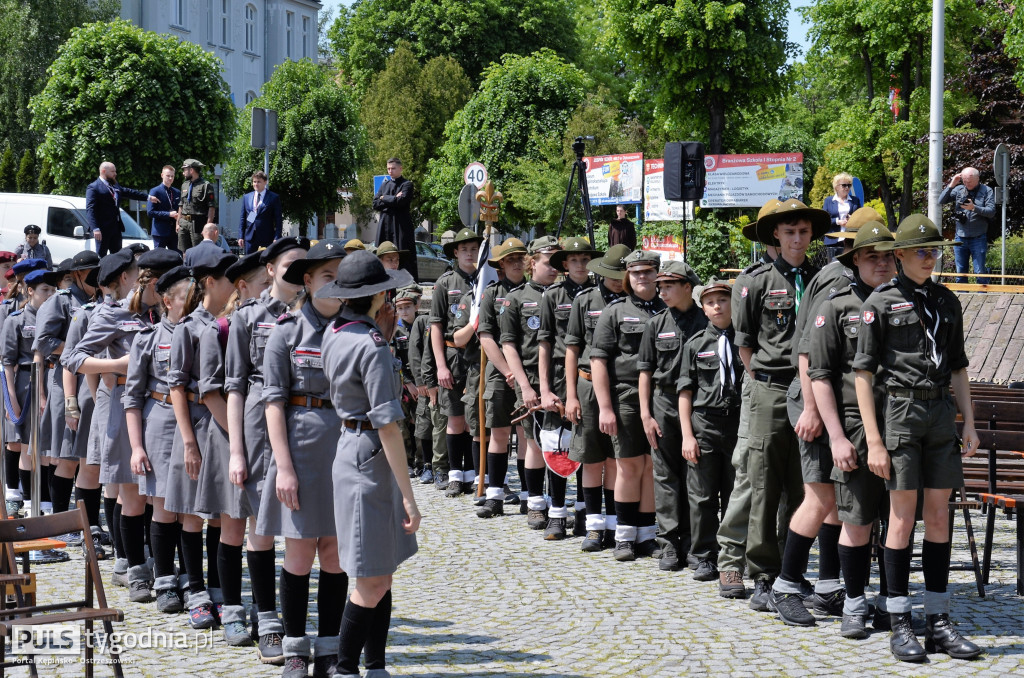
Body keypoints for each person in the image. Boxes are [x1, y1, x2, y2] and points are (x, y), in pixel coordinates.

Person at [854, 215, 982, 662]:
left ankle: (939, 622)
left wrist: (969, 421)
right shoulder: (881, 302)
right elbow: (864, 375)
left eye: (935, 251)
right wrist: (873, 439)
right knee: (902, 518)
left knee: (939, 517)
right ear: (900, 255)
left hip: (941, 411)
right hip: (902, 412)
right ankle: (899, 621)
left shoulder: (947, 300)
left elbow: (960, 365)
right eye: (922, 251)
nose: (930, 258)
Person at [317, 250, 420, 678]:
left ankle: (375, 666)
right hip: (371, 454)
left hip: (352, 446)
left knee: (383, 567)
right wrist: (410, 498)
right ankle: (344, 669)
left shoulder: (337, 330)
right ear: (378, 294)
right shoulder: (371, 344)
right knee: (371, 580)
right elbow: (390, 426)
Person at [258, 240, 348, 677]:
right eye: (327, 276)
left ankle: (329, 649)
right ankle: (295, 647)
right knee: (298, 555)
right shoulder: (285, 332)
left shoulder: (356, 329)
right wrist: (285, 468)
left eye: (339, 276)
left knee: (334, 556)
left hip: (345, 452)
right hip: (300, 451)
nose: (334, 284)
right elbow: (273, 403)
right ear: (307, 281)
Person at [733, 198, 828, 611]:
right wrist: (765, 384)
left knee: (801, 485)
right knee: (764, 484)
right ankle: (763, 575)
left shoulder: (821, 279)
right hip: (771, 390)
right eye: (789, 232)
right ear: (775, 234)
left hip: (808, 392)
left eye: (803, 232)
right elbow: (746, 346)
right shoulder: (754, 281)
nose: (796, 239)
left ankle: (794, 571)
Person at [806, 221, 896, 638]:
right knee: (856, 519)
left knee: (897, 520)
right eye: (871, 255)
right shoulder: (835, 306)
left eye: (887, 255)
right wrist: (837, 436)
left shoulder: (904, 302)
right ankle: (855, 603)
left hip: (900, 423)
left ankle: (890, 602)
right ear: (854, 259)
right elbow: (820, 375)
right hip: (855, 427)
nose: (881, 263)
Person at [223, 237, 309, 659]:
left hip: (306, 421)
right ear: (271, 270)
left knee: (304, 518)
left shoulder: (317, 314)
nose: (299, 271)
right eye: (290, 263)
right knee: (260, 523)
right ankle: (268, 618)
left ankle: (296, 616)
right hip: (259, 419)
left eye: (304, 265)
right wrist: (237, 449)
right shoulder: (248, 317)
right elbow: (235, 387)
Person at [163, 246, 238, 630]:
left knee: (219, 514)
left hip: (222, 425)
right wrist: (189, 442)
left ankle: (220, 590)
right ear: (211, 282)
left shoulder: (233, 322)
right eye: (229, 279)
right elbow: (176, 387)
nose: (235, 285)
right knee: (192, 514)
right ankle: (195, 589)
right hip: (194, 423)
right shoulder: (188, 327)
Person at [591, 250, 666, 561]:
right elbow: (598, 361)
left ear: (657, 274)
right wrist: (605, 408)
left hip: (662, 397)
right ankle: (624, 534)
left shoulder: (668, 307)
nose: (642, 278)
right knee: (628, 465)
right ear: (628, 276)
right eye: (636, 273)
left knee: (651, 466)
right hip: (626, 396)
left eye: (647, 272)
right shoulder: (615, 312)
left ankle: (647, 534)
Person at [125, 265, 191, 615]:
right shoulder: (147, 338)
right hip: (162, 423)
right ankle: (164, 580)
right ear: (167, 301)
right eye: (185, 298)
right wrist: (136, 447)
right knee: (165, 507)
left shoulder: (199, 332)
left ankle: (186, 577)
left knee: (189, 510)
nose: (192, 303)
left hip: (195, 421)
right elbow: (133, 397)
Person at [637, 261, 707, 571]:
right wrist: (645, 415)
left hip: (700, 403)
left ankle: (695, 544)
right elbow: (645, 372)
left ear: (688, 287)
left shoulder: (707, 320)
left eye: (668, 286)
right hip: (663, 403)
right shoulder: (656, 323)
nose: (660, 291)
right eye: (660, 286)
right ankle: (668, 544)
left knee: (696, 475)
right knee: (665, 476)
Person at [565, 245, 630, 551]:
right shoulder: (585, 300)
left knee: (616, 459)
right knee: (591, 459)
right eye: (614, 276)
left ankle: (616, 525)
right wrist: (570, 395)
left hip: (622, 387)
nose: (619, 281)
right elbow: (572, 349)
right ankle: (593, 526)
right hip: (588, 386)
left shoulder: (634, 301)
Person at [678, 277, 741, 582]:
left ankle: (733, 554)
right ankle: (703, 555)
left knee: (735, 494)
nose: (718, 306)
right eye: (711, 302)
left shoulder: (745, 341)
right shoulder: (695, 344)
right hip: (704, 424)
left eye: (723, 300)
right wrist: (687, 435)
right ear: (702, 308)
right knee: (702, 496)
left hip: (738, 424)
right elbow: (685, 392)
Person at [538, 237, 601, 538]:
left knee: (585, 443)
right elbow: (545, 345)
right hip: (561, 372)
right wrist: (545, 388)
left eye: (585, 258)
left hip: (589, 374)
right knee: (557, 443)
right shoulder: (552, 296)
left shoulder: (598, 294)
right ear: (564, 264)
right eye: (574, 259)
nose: (580, 264)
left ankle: (583, 510)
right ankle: (555, 513)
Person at [500, 236, 563, 526]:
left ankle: (561, 504)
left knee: (562, 443)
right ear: (532, 262)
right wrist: (524, 386)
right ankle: (536, 502)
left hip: (563, 379)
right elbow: (509, 345)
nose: (554, 268)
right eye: (549, 262)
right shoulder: (516, 298)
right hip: (532, 379)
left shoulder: (567, 296)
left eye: (557, 262)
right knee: (535, 442)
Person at [473, 240, 529, 519]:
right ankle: (495, 494)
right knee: (499, 433)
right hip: (500, 374)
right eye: (510, 259)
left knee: (526, 434)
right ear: (501, 265)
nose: (517, 263)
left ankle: (530, 495)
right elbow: (485, 336)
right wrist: (508, 371)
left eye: (520, 257)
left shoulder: (534, 291)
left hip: (530, 372)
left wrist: (521, 375)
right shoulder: (491, 294)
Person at [430, 228, 483, 497]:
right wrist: (440, 365)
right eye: (464, 250)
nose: (470, 254)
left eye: (474, 249)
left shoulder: (485, 281)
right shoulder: (445, 283)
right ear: (455, 252)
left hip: (478, 357)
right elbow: (436, 327)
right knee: (454, 417)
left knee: (475, 419)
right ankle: (454, 475)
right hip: (452, 357)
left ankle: (474, 474)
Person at [85, 162, 160, 256]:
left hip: (115, 229)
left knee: (118, 256)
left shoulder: (114, 186)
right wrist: (95, 228)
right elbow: (90, 209)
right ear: (104, 171)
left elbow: (129, 192)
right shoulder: (93, 187)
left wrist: (148, 197)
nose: (115, 174)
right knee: (101, 256)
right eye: (112, 171)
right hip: (102, 230)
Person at [939, 166, 996, 284]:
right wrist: (952, 184)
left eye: (969, 181)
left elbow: (991, 212)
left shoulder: (987, 190)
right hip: (960, 237)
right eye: (964, 181)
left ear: (977, 179)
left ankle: (981, 299)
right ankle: (962, 299)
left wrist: (974, 208)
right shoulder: (959, 189)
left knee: (980, 272)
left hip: (978, 237)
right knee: (960, 273)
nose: (967, 183)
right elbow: (941, 200)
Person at [373, 157, 417, 280]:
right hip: (385, 225)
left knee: (402, 255)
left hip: (400, 226)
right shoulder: (384, 184)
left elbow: (401, 202)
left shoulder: (406, 185)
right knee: (383, 254)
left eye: (393, 168)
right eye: (388, 169)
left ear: (400, 168)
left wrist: (384, 198)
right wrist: (392, 199)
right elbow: (375, 204)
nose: (390, 171)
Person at [177, 159, 217, 254]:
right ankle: (185, 268)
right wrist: (177, 223)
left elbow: (211, 207)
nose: (183, 173)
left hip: (197, 223)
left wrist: (207, 227)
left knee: (198, 252)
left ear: (191, 170)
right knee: (184, 252)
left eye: (185, 170)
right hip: (184, 222)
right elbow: (181, 205)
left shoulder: (206, 186)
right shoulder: (184, 185)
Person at [238, 171, 283, 255]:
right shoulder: (247, 197)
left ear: (265, 182)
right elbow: (243, 218)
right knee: (250, 263)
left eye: (259, 182)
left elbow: (278, 219)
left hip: (267, 237)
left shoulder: (273, 197)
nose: (256, 184)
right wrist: (241, 236)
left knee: (266, 262)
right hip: (250, 237)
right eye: (254, 182)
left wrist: (277, 237)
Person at [822, 173, 861, 261]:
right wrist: (837, 221)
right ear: (836, 187)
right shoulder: (828, 201)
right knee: (834, 267)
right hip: (833, 240)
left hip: (850, 239)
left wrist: (853, 219)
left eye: (849, 185)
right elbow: (824, 220)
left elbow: (860, 218)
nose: (847, 188)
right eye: (844, 185)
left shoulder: (855, 200)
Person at [148, 166, 182, 251]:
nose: (170, 178)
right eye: (168, 175)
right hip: (160, 232)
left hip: (174, 232)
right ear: (162, 175)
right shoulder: (155, 191)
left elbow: (180, 209)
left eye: (172, 176)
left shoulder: (177, 192)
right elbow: (150, 212)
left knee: (177, 257)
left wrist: (178, 216)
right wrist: (168, 214)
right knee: (158, 259)